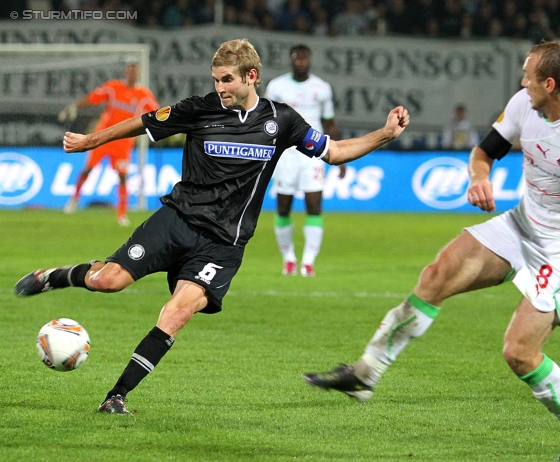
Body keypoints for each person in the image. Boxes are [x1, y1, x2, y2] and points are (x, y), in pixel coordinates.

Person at [15, 39, 410, 415]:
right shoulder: (199, 109)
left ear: (251, 76)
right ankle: (57, 276)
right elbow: (142, 122)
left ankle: (115, 397)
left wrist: (385, 134)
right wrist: (91, 141)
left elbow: (335, 151)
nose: (219, 87)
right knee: (110, 281)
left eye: (227, 80)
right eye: (216, 79)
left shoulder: (282, 120)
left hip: (223, 243)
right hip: (177, 220)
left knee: (177, 313)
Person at [303, 39, 560, 461]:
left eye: (528, 74)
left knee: (519, 352)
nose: (521, 80)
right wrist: (478, 177)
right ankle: (366, 372)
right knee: (436, 275)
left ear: (550, 84)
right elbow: (485, 152)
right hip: (521, 225)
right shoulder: (524, 104)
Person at [264, 44, 345, 277]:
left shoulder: (322, 88)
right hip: (286, 153)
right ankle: (288, 259)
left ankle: (308, 262)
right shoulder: (277, 87)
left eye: (304, 58)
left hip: (314, 153)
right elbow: (267, 121)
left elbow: (329, 123)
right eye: (297, 58)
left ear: (309, 60)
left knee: (314, 206)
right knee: (283, 207)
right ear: (291, 60)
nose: (301, 62)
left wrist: (340, 158)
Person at [59, 57, 159, 226]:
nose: (132, 73)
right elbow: (92, 98)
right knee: (88, 169)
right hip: (102, 137)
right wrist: (75, 106)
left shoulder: (144, 95)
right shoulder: (113, 87)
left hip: (123, 141)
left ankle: (121, 214)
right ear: (126, 72)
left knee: (122, 176)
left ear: (139, 73)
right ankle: (74, 199)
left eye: (135, 70)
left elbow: (157, 113)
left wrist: (173, 126)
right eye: (130, 69)